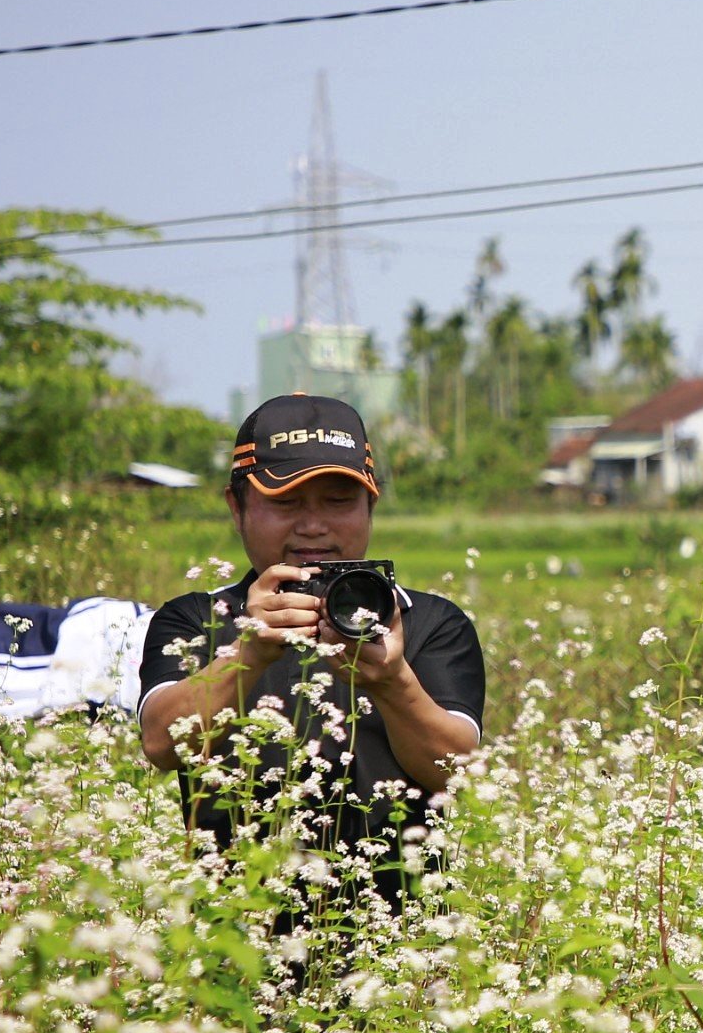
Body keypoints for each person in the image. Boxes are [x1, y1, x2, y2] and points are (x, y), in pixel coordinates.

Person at [139, 393, 484, 925]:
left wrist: (391, 679)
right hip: (235, 942)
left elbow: (455, 772)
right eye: (286, 503)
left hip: (396, 949)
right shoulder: (197, 622)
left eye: (338, 502)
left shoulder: (428, 624)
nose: (314, 526)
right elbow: (163, 745)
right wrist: (249, 650)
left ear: (371, 507)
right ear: (237, 508)